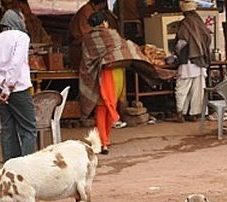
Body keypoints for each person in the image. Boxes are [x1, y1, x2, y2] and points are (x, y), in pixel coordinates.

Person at [79, 11, 175, 155]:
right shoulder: (113, 34)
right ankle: (105, 140)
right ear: (104, 22)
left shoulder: (87, 39)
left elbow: (87, 61)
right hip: (117, 74)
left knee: (101, 108)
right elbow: (127, 49)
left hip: (103, 76)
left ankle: (103, 142)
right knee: (111, 106)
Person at [0, 9, 36, 162]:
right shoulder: (22, 37)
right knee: (28, 129)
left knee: (8, 128)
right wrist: (8, 87)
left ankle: (10, 166)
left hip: (1, 89)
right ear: (17, 21)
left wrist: (3, 88)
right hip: (18, 88)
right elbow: (16, 63)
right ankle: (26, 167)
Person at [173, 0, 213, 123]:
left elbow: (182, 42)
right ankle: (194, 113)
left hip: (188, 61)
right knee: (198, 89)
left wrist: (175, 52)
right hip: (200, 61)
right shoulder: (199, 22)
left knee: (182, 87)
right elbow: (208, 37)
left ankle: (180, 113)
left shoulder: (185, 23)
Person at [69, 0, 117, 69]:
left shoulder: (91, 11)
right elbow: (88, 35)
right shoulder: (87, 11)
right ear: (102, 3)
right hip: (80, 47)